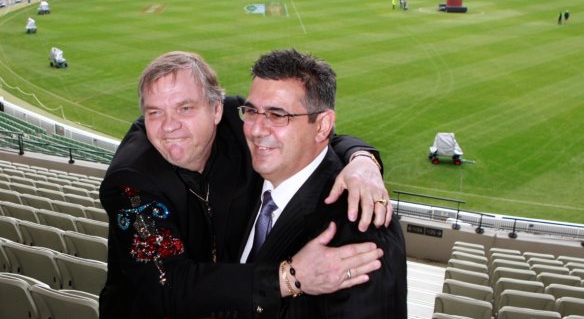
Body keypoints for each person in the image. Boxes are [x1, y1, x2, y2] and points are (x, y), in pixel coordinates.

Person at [99, 51, 392, 319]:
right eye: (154, 112)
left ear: (216, 110)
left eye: (185, 108)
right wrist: (288, 277)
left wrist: (363, 161)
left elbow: (306, 135)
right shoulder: (130, 182)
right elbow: (167, 285)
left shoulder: (238, 119)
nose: (169, 126)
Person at [239, 48, 407, 318]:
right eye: (251, 111)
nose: (256, 129)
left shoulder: (363, 228)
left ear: (322, 125)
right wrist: (363, 156)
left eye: (277, 115)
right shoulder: (244, 178)